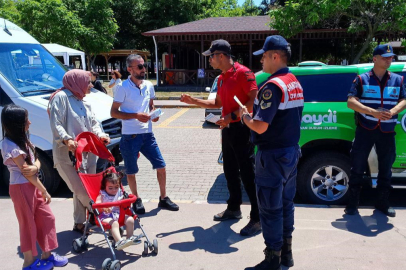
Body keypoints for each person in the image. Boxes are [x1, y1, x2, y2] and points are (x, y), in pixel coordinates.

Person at [180, 39, 261, 236]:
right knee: (230, 170)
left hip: (241, 127)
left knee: (248, 173)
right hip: (228, 129)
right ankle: (234, 208)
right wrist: (194, 101)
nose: (209, 61)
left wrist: (231, 117)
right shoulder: (223, 77)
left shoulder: (243, 73)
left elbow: (253, 101)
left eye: (211, 57)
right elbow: (216, 102)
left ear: (222, 56)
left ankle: (258, 218)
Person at [241, 35, 303, 270]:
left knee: (269, 208)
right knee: (287, 204)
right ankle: (286, 253)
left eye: (264, 57)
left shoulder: (271, 86)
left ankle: (272, 258)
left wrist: (246, 117)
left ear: (274, 56)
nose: (261, 62)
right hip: (290, 152)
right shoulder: (294, 81)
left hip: (272, 156)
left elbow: (260, 126)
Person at [1, 104, 68, 270]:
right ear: (15, 123)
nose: (29, 122)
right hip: (22, 188)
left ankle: (47, 255)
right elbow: (26, 172)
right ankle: (29, 262)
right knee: (28, 224)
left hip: (32, 185)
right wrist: (44, 189)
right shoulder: (9, 145)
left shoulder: (22, 139)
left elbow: (35, 161)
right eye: (25, 120)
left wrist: (37, 167)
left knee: (47, 218)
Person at [110, 54, 179, 214]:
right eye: (140, 66)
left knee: (161, 166)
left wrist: (153, 115)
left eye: (144, 66)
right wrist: (136, 115)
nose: (144, 69)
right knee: (131, 171)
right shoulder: (122, 87)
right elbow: (114, 112)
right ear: (129, 69)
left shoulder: (148, 85)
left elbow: (151, 106)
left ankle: (163, 198)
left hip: (148, 135)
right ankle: (136, 199)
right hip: (130, 137)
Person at [345, 44, 406, 217]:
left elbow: (404, 99)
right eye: (385, 57)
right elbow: (350, 102)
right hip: (365, 129)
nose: (389, 60)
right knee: (357, 167)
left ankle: (382, 203)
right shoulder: (362, 79)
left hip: (387, 131)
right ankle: (352, 204)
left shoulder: (398, 79)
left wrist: (393, 111)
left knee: (386, 169)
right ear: (375, 59)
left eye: (391, 57)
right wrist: (372, 112)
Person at [49, 69, 111, 234]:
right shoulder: (61, 98)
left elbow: (94, 123)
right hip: (67, 155)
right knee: (80, 189)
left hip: (88, 155)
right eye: (88, 81)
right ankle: (101, 214)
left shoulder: (84, 101)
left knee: (83, 189)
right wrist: (67, 139)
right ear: (77, 82)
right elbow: (56, 124)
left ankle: (79, 224)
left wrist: (101, 135)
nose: (91, 85)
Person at [96, 169, 141, 250]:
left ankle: (129, 238)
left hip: (119, 214)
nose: (114, 190)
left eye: (116, 187)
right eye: (110, 188)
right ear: (105, 186)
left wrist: (126, 199)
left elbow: (124, 202)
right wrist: (103, 207)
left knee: (130, 219)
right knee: (115, 224)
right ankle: (119, 242)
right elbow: (97, 204)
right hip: (106, 216)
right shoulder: (102, 194)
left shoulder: (119, 193)